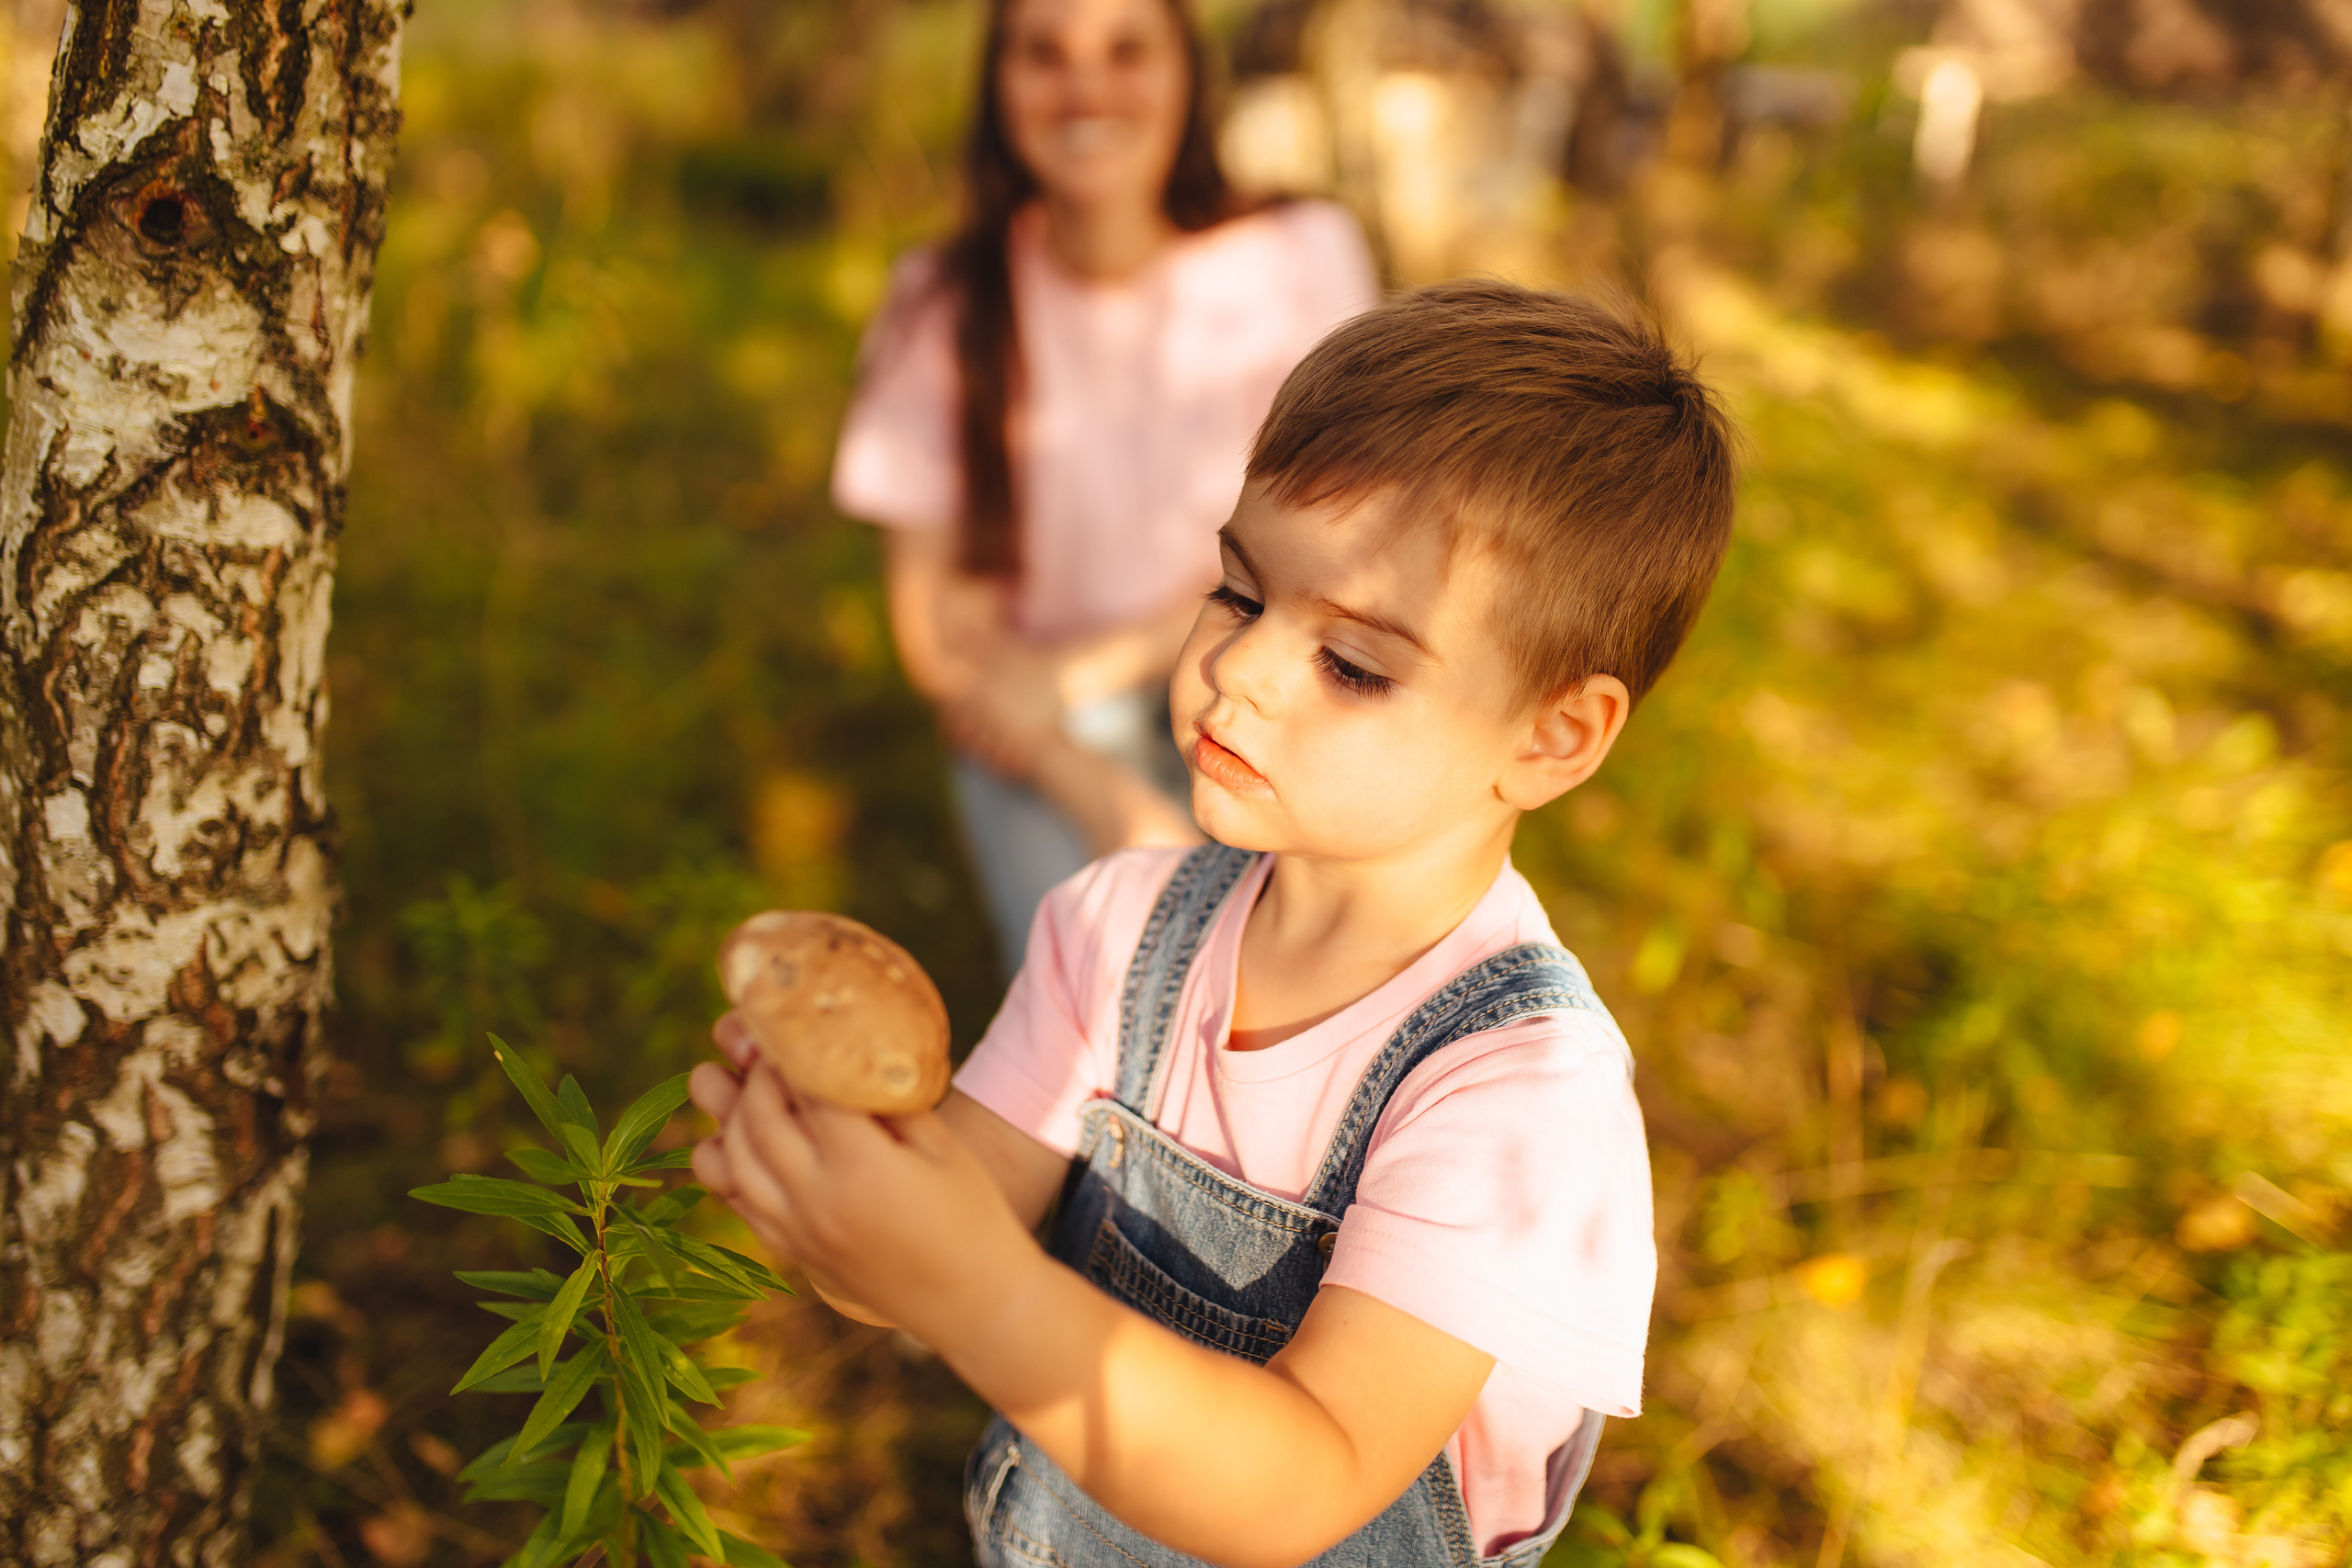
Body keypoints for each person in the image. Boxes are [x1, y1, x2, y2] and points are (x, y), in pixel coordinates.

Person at [697, 283, 1736, 1566]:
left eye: (1351, 663)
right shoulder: (1115, 927)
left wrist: (978, 1290)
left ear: (1550, 736)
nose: (1239, 669)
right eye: (1240, 594)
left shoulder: (1518, 1094)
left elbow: (1307, 1480)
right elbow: (924, 1235)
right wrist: (833, 1171)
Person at [831, 0, 1378, 968]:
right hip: (1043, 725)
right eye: (1045, 54)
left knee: (1313, 992)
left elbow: (1346, 553)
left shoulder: (1302, 255)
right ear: (998, 87)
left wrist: (1074, 670)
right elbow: (934, 627)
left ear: (1186, 72)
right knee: (1107, 1006)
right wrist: (1092, 786)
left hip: (1269, 671)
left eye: (1126, 50)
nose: (1086, 87)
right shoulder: (942, 302)